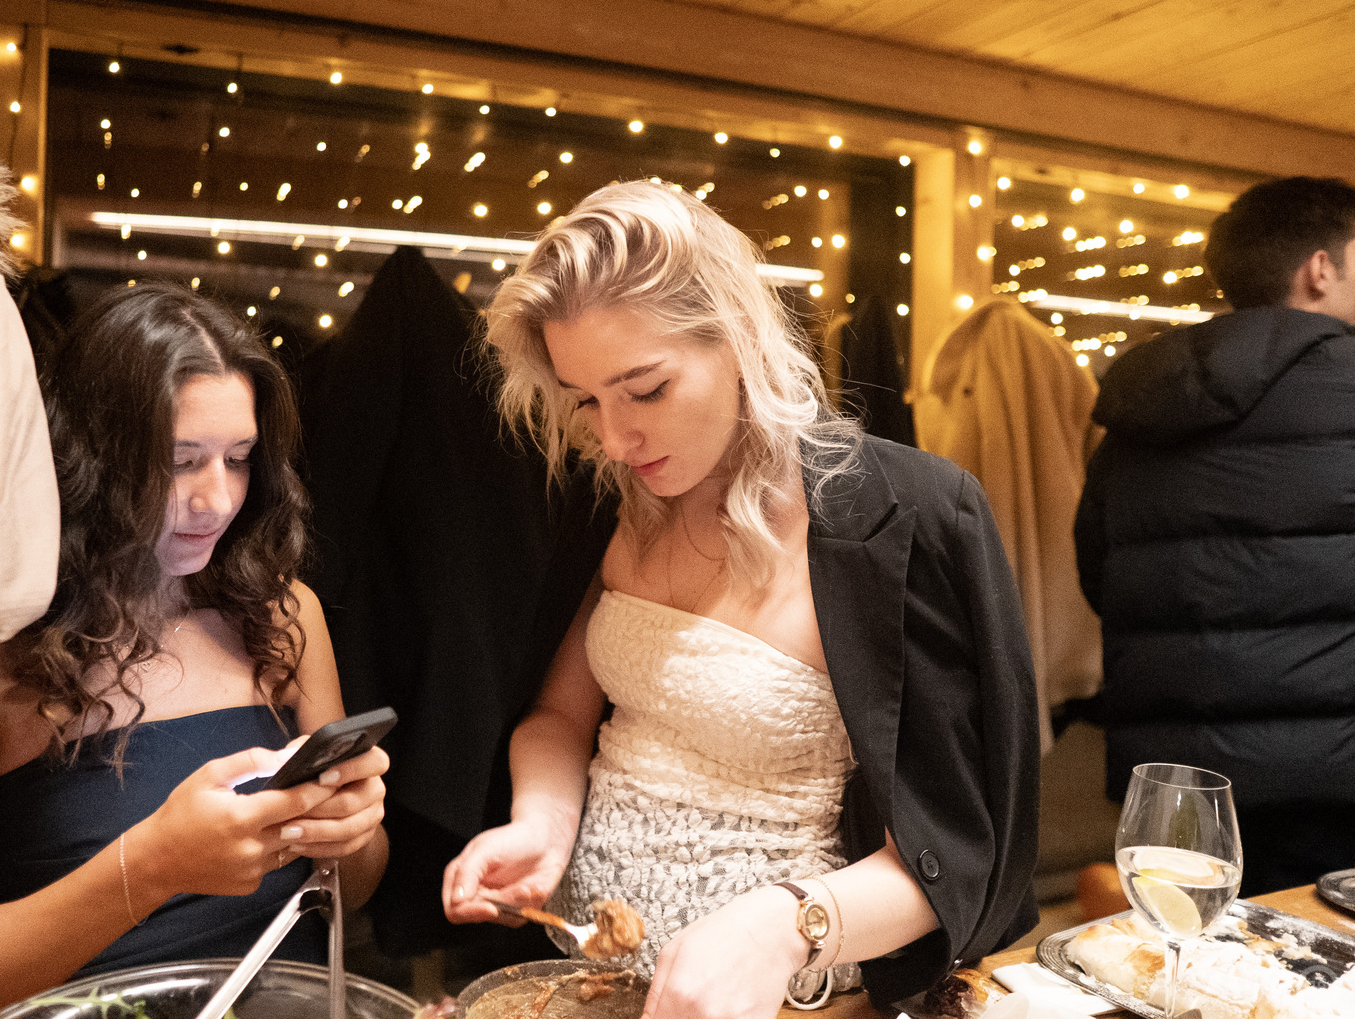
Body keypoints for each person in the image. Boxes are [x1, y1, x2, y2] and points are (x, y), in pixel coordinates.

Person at [442, 181, 1040, 1017]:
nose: (613, 438)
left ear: (739, 338)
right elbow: (560, 717)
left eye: (645, 389)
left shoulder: (908, 518)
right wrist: (540, 825)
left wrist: (784, 926)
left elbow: (963, 855)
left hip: (793, 999)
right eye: (586, 401)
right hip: (590, 977)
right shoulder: (610, 494)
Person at [0, 284, 389, 1019]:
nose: (218, 500)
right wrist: (151, 867)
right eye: (182, 461)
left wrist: (351, 832)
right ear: (92, 457)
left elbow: (353, 889)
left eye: (239, 459)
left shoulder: (282, 615)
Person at [1075, 176, 1355, 896]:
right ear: (1320, 268)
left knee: (1188, 948)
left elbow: (1099, 571)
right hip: (1333, 779)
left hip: (1172, 774)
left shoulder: (1143, 399)